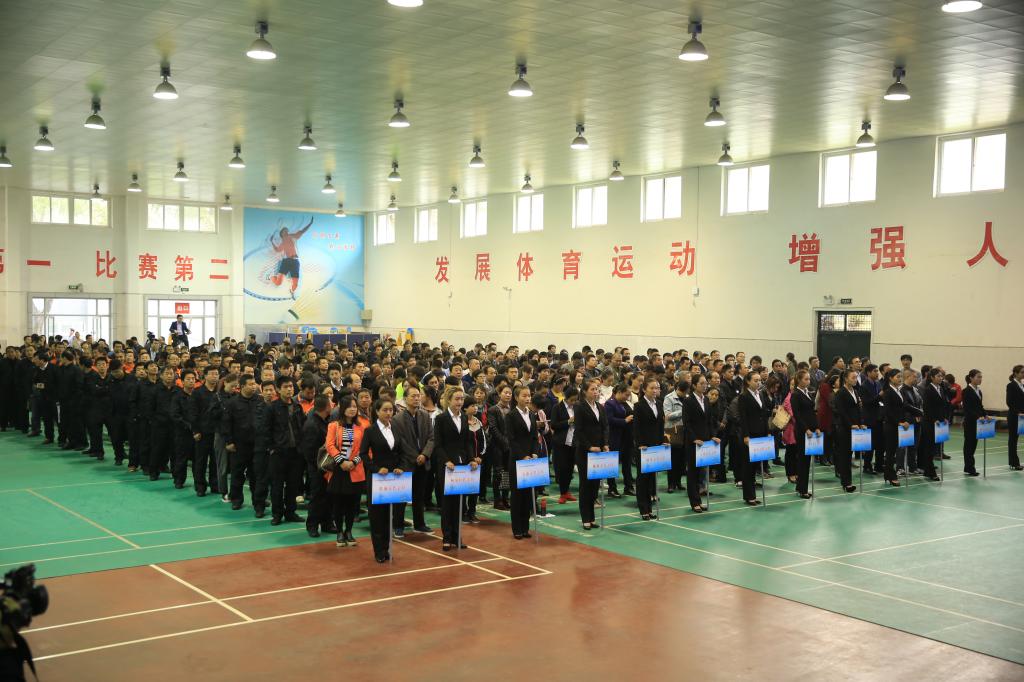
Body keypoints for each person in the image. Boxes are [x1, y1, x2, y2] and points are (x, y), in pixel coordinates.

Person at [359, 398, 408, 563]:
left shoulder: (396, 428)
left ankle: (386, 548)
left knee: (389, 515)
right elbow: (363, 454)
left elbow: (402, 451)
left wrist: (401, 467)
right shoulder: (370, 431)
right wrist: (376, 469)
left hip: (394, 477)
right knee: (377, 516)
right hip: (378, 478)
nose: (388, 413)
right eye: (385, 410)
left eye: (391, 410)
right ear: (377, 411)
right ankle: (379, 550)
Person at [434, 386, 477, 551]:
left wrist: (471, 459)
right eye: (457, 399)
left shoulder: (464, 418)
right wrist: (446, 460)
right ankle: (447, 537)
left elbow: (467, 442)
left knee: (460, 503)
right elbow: (438, 444)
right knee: (447, 504)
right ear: (449, 400)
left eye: (461, 399)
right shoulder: (441, 419)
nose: (460, 402)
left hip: (462, 465)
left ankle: (457, 536)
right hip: (447, 466)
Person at [325, 396, 368, 547]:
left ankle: (348, 531)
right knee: (338, 503)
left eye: (354, 406)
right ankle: (339, 532)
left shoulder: (361, 427)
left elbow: (364, 449)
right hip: (338, 470)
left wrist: (353, 462)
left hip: (355, 469)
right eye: (349, 406)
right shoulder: (334, 425)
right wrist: (342, 461)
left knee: (352, 504)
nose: (352, 409)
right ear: (342, 408)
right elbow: (329, 445)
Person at [393, 384, 435, 534]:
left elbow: (431, 438)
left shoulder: (425, 415)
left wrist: (424, 454)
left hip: (423, 462)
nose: (417, 398)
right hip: (405, 463)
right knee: (402, 496)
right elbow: (400, 442)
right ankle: (398, 525)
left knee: (419, 495)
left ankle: (419, 524)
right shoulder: (397, 419)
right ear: (405, 399)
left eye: (419, 395)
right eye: (413, 396)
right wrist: (415, 456)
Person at [222, 374, 267, 514]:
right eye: (250, 384)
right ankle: (236, 499)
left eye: (254, 384)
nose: (254, 386)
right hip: (239, 445)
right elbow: (226, 423)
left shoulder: (260, 400)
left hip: (257, 445)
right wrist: (229, 441)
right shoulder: (232, 403)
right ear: (242, 386)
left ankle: (258, 503)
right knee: (237, 473)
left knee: (257, 475)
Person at [267, 376, 306, 525]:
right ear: (278, 389)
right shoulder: (272, 407)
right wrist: (271, 448)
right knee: (277, 485)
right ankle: (277, 514)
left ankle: (290, 512)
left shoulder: (297, 407)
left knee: (293, 484)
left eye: (291, 386)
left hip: (295, 452)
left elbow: (302, 428)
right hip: (278, 453)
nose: (289, 389)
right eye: (285, 387)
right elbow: (265, 430)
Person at [574, 379, 610, 530]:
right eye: (592, 389)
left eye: (597, 389)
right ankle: (585, 518)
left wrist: (605, 443)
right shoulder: (579, 407)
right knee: (586, 486)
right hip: (585, 452)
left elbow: (605, 427)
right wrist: (589, 446)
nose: (596, 392)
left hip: (599, 452)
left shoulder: (600, 407)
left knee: (595, 485)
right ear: (585, 392)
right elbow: (579, 430)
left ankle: (592, 518)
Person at [506, 385, 540, 538]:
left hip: (530, 460)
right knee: (517, 496)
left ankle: (525, 528)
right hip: (517, 460)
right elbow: (511, 440)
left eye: (529, 396)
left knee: (528, 495)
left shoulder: (531, 414)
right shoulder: (511, 416)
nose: (527, 398)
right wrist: (522, 455)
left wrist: (534, 452)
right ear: (516, 397)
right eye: (524, 396)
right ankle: (517, 529)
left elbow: (534, 437)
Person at [684, 374, 718, 513]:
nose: (705, 386)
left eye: (705, 383)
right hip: (694, 442)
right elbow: (687, 423)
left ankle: (700, 499)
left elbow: (709, 421)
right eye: (702, 383)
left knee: (701, 472)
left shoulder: (706, 400)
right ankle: (695, 502)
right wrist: (694, 438)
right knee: (693, 473)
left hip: (706, 441)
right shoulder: (688, 401)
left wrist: (713, 436)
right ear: (694, 385)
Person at [632, 378, 665, 520]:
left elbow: (660, 425)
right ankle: (643, 509)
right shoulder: (639, 406)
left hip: (656, 446)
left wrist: (662, 442)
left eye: (657, 388)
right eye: (652, 388)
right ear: (644, 389)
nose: (655, 390)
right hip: (644, 447)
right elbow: (636, 427)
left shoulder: (659, 403)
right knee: (643, 479)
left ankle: (650, 509)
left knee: (652, 478)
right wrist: (640, 444)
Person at [299, 394, 331, 537]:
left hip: (326, 466)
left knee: (327, 496)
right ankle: (312, 525)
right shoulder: (312, 425)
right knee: (317, 497)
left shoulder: (325, 421)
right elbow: (309, 451)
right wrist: (320, 465)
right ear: (327, 407)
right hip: (317, 468)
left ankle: (326, 523)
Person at [189, 366, 220, 496]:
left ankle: (215, 485)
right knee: (200, 461)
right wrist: (195, 431)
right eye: (212, 374)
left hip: (217, 432)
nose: (215, 376)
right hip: (202, 432)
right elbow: (193, 413)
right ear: (205, 376)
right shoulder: (197, 392)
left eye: (216, 374)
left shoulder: (220, 392)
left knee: (215, 461)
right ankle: (200, 486)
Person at [737, 372, 767, 505]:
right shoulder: (743, 396)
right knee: (748, 467)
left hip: (760, 433)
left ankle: (753, 494)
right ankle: (749, 496)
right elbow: (743, 418)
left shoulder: (760, 394)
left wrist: (767, 431)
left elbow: (763, 415)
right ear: (748, 382)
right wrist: (746, 435)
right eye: (755, 380)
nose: (758, 382)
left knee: (755, 465)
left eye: (759, 380)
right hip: (750, 435)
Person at [833, 369, 863, 493]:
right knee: (845, 457)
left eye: (856, 377)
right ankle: (846, 483)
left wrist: (861, 423)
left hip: (855, 428)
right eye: (853, 377)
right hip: (844, 429)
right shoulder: (841, 393)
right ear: (846, 379)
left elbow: (858, 410)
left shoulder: (855, 391)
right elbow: (842, 412)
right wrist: (851, 425)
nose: (855, 380)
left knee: (850, 455)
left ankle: (848, 481)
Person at [269, 217, 314, 298]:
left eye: (287, 231)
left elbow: (302, 231)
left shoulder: (292, 236)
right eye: (285, 231)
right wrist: (272, 242)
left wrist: (310, 224)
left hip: (295, 262)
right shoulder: (283, 243)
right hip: (286, 262)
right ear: (282, 234)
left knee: (295, 285)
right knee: (278, 283)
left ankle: (292, 291)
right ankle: (271, 277)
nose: (287, 232)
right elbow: (277, 250)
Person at [790, 369, 818, 498]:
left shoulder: (807, 392)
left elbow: (812, 412)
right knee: (803, 461)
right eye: (806, 379)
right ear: (799, 380)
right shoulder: (795, 394)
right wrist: (806, 429)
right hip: (803, 431)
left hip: (811, 430)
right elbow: (797, 415)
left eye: (809, 379)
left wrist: (816, 427)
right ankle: (802, 489)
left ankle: (801, 487)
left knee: (807, 461)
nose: (808, 381)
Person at [604, 383, 634, 498]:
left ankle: (629, 487)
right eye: (626, 394)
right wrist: (624, 421)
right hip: (615, 438)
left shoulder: (626, 403)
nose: (627, 397)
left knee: (627, 464)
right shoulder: (609, 403)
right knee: (612, 465)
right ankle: (612, 489)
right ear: (619, 392)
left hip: (627, 438)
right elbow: (608, 420)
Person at [550, 385, 578, 504]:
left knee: (570, 469)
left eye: (575, 400)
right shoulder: (557, 407)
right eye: (572, 400)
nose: (573, 402)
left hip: (574, 442)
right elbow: (554, 425)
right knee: (562, 469)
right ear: (566, 397)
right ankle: (562, 493)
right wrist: (568, 421)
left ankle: (567, 491)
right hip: (561, 443)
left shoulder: (577, 407)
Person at [486, 385, 513, 510]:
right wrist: (504, 442)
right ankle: (497, 500)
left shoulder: (512, 409)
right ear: (499, 394)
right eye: (505, 392)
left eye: (510, 393)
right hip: (496, 446)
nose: (508, 395)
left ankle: (505, 498)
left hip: (510, 446)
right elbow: (493, 428)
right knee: (498, 473)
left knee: (507, 472)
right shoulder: (493, 410)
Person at [170, 368, 197, 488]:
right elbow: (175, 415)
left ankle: (199, 481)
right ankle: (179, 480)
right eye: (188, 379)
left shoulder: (197, 395)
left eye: (193, 379)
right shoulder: (177, 396)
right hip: (182, 432)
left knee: (198, 459)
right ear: (182, 381)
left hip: (197, 433)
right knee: (181, 458)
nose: (191, 381)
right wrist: (188, 426)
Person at [83, 355, 114, 460]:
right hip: (96, 409)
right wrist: (106, 388)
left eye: (103, 364)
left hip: (110, 410)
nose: (102, 366)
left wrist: (100, 388)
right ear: (95, 366)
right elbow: (94, 391)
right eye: (99, 365)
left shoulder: (111, 377)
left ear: (107, 366)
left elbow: (111, 391)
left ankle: (119, 453)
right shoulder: (91, 378)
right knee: (96, 432)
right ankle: (99, 452)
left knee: (114, 433)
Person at [918, 368, 945, 482]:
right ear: (932, 377)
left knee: (933, 447)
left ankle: (927, 470)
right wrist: (934, 419)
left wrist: (944, 418)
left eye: (941, 376)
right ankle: (930, 472)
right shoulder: (928, 389)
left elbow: (942, 405)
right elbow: (927, 407)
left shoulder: (941, 388)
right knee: (929, 447)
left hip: (939, 422)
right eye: (938, 376)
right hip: (929, 422)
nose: (941, 378)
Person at [961, 369, 986, 476]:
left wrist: (985, 415)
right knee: (969, 445)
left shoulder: (979, 391)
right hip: (970, 422)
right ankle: (970, 467)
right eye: (978, 377)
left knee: (973, 445)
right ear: (971, 378)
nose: (980, 379)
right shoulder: (966, 391)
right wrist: (978, 417)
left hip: (978, 422)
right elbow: (968, 408)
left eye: (981, 377)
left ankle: (968, 467)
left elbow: (980, 406)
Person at [1007, 365, 1024, 471]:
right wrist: (1018, 412)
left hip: (1022, 417)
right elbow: (1009, 402)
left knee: (1016, 439)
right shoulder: (1011, 385)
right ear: (1016, 373)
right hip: (1014, 416)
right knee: (1013, 440)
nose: (1023, 374)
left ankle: (1015, 462)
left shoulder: (1022, 385)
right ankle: (1013, 463)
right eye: (1022, 372)